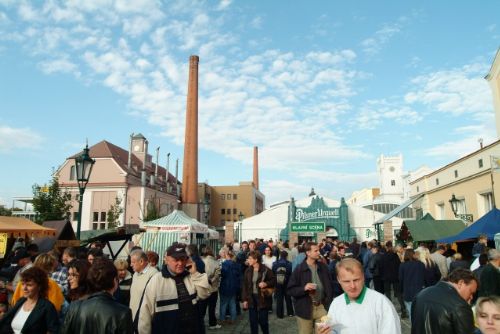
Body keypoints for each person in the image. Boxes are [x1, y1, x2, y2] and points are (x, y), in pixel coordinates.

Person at [138, 243, 211, 334]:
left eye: (183, 259)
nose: (180, 263)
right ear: (167, 260)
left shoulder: (191, 277)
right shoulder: (156, 281)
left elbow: (204, 294)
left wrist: (195, 273)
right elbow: (145, 316)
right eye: (176, 260)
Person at [317, 258, 401, 334]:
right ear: (339, 280)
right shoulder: (336, 304)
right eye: (346, 281)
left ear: (363, 277)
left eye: (356, 280)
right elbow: (333, 331)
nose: (352, 286)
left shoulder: (381, 303)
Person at [60, 259, 133, 334]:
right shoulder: (123, 313)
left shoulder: (74, 307)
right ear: (115, 281)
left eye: (73, 275)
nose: (69, 278)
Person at [411, 268, 478, 334]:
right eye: (471, 292)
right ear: (461, 283)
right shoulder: (460, 306)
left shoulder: (420, 295)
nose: (471, 297)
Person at [288, 242, 333, 334]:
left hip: (321, 307)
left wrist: (329, 301)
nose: (318, 252)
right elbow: (290, 290)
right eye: (315, 251)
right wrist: (304, 288)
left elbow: (330, 285)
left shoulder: (323, 267)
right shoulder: (299, 269)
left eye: (318, 250)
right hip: (305, 308)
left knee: (323, 333)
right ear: (308, 253)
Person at [0, 267, 59, 333]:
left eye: (29, 285)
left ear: (39, 286)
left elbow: (53, 331)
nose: (24, 288)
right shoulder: (21, 301)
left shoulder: (47, 307)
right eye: (22, 284)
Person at [241, 250, 275, 334]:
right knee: (253, 322)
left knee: (263, 321)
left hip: (262, 298)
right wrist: (244, 300)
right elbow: (244, 286)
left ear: (256, 260)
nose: (248, 260)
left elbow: (274, 280)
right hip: (251, 298)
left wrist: (266, 283)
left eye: (250, 258)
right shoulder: (248, 270)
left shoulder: (265, 269)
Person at [129, 249, 158, 325]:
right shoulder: (135, 274)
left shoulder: (154, 274)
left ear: (141, 262)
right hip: (132, 318)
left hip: (145, 321)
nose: (130, 265)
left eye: (133, 262)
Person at [380, 241, 407, 318]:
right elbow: (399, 266)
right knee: (399, 294)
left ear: (386, 247)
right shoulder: (395, 256)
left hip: (386, 277)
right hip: (395, 277)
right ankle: (403, 309)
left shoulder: (383, 256)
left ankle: (389, 310)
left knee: (388, 294)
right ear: (391, 247)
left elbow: (381, 267)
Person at [398, 249, 425, 320]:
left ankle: (414, 327)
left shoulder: (402, 265)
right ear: (413, 255)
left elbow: (400, 279)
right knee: (419, 311)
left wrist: (400, 291)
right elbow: (424, 277)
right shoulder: (421, 264)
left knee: (410, 311)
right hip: (419, 291)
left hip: (407, 291)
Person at [201, 246, 222, 329]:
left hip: (203, 287)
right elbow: (218, 274)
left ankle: (200, 322)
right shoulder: (215, 262)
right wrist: (212, 280)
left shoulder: (201, 261)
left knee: (202, 307)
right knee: (212, 307)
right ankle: (212, 324)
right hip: (213, 288)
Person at [219, 250, 240, 325]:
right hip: (234, 286)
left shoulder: (224, 264)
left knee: (223, 304)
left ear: (227, 256)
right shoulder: (236, 264)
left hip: (225, 286)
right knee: (232, 303)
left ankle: (222, 319)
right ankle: (233, 319)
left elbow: (222, 275)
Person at [272, 250, 294, 318]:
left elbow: (273, 272)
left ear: (280, 256)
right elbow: (291, 273)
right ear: (286, 256)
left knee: (279, 298)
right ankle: (290, 312)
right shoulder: (289, 264)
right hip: (287, 282)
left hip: (278, 282)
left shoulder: (275, 263)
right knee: (288, 298)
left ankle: (280, 314)